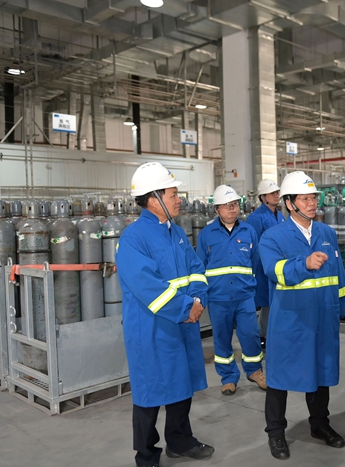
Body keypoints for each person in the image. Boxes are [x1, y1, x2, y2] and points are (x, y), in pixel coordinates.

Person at [116, 162, 214, 467]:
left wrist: (198, 300)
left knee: (182, 385)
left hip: (182, 325)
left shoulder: (176, 233)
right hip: (153, 330)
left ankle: (180, 441)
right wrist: (187, 308)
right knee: (149, 395)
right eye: (173, 193)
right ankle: (146, 455)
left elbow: (196, 269)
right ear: (153, 198)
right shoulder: (134, 238)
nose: (178, 199)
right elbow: (148, 286)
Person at [258, 171, 345, 460]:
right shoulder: (272, 237)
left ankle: (320, 424)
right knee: (279, 379)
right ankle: (276, 433)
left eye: (314, 198)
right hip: (290, 321)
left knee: (320, 374)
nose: (312, 204)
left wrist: (339, 309)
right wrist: (304, 263)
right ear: (289, 203)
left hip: (322, 319)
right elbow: (275, 271)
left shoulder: (326, 233)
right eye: (305, 199)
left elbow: (339, 277)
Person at [196, 185, 266, 396]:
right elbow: (200, 266)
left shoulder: (249, 231)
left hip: (244, 296)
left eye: (235, 204)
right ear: (217, 209)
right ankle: (228, 377)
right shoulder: (206, 235)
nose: (232, 209)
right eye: (227, 205)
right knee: (222, 338)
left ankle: (255, 371)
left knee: (251, 334)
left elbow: (255, 262)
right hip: (218, 298)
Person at [245, 179, 284, 350]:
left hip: (278, 264)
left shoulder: (280, 215)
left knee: (275, 300)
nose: (276, 195)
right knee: (265, 302)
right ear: (263, 197)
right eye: (272, 193)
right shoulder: (256, 217)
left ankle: (272, 334)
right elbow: (251, 244)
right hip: (262, 266)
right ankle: (261, 336)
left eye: (277, 192)